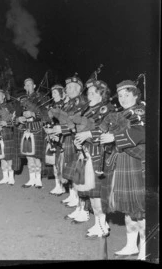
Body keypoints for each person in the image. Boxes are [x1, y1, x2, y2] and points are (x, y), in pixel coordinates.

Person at [99, 80, 146, 260]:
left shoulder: (140, 111)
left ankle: (145, 248)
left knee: (139, 209)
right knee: (128, 207)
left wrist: (115, 137)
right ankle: (130, 245)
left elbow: (141, 132)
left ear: (136, 95)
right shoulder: (121, 113)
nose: (124, 98)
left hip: (137, 162)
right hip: (124, 160)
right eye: (120, 95)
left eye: (127, 94)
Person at [68, 79, 114, 228]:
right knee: (89, 190)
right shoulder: (87, 109)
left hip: (98, 154)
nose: (90, 95)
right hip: (86, 153)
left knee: (96, 193)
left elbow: (104, 130)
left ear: (102, 95)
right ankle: (98, 223)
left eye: (93, 93)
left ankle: (101, 225)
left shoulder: (106, 109)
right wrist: (78, 141)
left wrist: (88, 133)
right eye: (89, 93)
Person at [57, 75, 87, 207]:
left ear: (79, 89)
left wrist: (61, 129)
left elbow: (74, 122)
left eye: (70, 87)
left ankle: (77, 198)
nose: (67, 90)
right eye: (67, 87)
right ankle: (72, 194)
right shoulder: (69, 103)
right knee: (68, 165)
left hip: (76, 138)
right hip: (67, 137)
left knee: (74, 168)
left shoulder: (80, 102)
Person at [16, 78, 47, 189]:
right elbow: (16, 115)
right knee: (29, 156)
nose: (28, 86)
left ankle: (38, 180)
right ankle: (31, 179)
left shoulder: (41, 98)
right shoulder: (22, 99)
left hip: (37, 128)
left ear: (34, 86)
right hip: (26, 130)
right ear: (24, 87)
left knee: (36, 156)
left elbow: (46, 114)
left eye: (30, 84)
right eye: (26, 85)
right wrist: (18, 119)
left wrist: (33, 114)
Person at [42, 84, 67, 196]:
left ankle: (64, 187)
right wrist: (47, 128)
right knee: (55, 163)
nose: (53, 95)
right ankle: (58, 185)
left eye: (55, 93)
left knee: (62, 163)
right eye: (52, 93)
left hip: (62, 136)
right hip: (52, 135)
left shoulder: (64, 106)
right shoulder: (52, 106)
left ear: (61, 94)